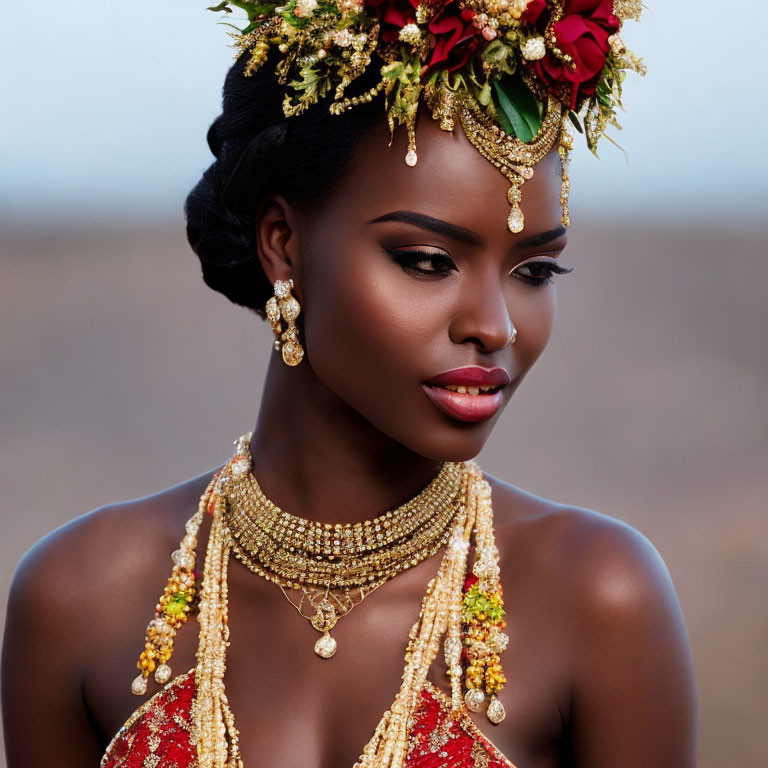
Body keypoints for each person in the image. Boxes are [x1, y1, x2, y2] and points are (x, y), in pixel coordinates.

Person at [1, 1, 698, 766]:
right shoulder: (76, 600)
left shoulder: (600, 599)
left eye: (534, 270)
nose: (495, 325)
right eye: (428, 261)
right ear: (282, 244)